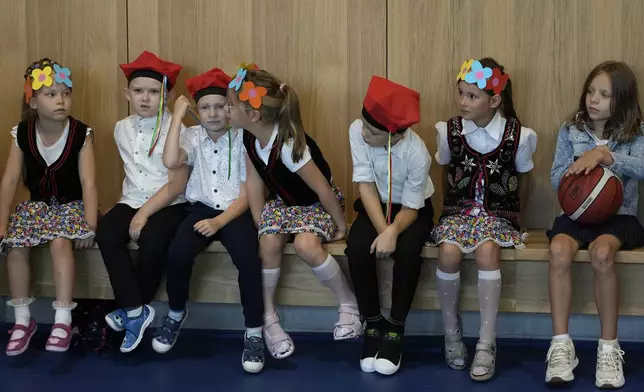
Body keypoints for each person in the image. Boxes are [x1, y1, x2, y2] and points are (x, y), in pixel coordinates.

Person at [227, 64, 362, 360]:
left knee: (305, 244)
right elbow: (253, 182)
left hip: (314, 204)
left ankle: (349, 305)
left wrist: (340, 226)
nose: (226, 110)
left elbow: (323, 188)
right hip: (284, 206)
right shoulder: (248, 137)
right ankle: (268, 318)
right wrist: (261, 223)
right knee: (268, 242)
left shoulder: (288, 144)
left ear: (252, 115)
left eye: (230, 105)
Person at [153, 67, 265, 373]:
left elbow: (246, 194)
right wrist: (177, 117)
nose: (213, 114)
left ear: (230, 109)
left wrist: (219, 223)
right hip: (199, 210)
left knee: (247, 259)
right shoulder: (191, 136)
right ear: (196, 111)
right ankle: (176, 314)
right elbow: (170, 161)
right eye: (204, 107)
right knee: (177, 254)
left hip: (234, 212)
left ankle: (254, 331)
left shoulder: (244, 138)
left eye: (220, 106)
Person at [432, 58, 537, 381]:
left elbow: (525, 180)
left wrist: (517, 217)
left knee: (487, 251)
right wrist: (447, 210)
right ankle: (451, 334)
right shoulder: (446, 131)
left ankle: (486, 343)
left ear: (494, 100)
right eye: (460, 93)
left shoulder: (519, 135)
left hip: (497, 215)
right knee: (448, 252)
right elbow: (443, 173)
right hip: (457, 214)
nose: (463, 101)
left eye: (472, 96)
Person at [546, 61, 644, 389]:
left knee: (602, 253)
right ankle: (561, 345)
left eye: (604, 94)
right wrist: (580, 167)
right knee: (558, 249)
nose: (594, 99)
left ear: (623, 101)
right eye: (591, 91)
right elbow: (555, 176)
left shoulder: (636, 133)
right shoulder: (570, 130)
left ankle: (609, 348)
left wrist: (605, 157)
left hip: (620, 218)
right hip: (577, 215)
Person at [0, 58, 98, 355]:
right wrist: (2, 224)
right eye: (51, 94)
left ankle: (63, 319)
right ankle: (22, 320)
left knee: (59, 243)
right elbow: (10, 180)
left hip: (70, 207)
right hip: (37, 207)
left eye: (65, 94)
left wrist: (90, 224)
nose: (61, 101)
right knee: (15, 246)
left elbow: (89, 182)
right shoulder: (22, 134)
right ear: (33, 101)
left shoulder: (82, 133)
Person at [95, 51, 189, 353]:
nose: (145, 98)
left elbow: (176, 184)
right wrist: (130, 211)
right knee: (107, 232)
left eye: (154, 92)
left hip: (169, 202)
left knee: (153, 237)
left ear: (166, 95)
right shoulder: (121, 128)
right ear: (127, 94)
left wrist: (143, 215)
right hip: (131, 198)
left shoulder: (179, 130)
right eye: (138, 91)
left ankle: (133, 309)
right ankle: (136, 310)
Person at [345, 76, 434, 375]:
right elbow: (366, 186)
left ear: (393, 134)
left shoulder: (417, 153)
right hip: (374, 205)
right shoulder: (357, 130)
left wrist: (394, 231)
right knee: (357, 248)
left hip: (411, 210)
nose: (364, 132)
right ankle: (372, 322)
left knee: (408, 252)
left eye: (372, 131)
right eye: (364, 124)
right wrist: (383, 230)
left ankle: (396, 327)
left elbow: (412, 206)